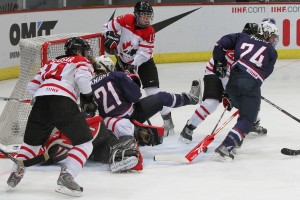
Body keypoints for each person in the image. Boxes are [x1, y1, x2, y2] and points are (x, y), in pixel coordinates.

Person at [41, 55, 201, 173]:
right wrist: (132, 78)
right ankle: (190, 98)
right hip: (132, 113)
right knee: (161, 98)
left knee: (118, 138)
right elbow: (135, 96)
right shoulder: (116, 75)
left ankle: (122, 150)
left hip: (112, 122)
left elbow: (88, 113)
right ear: (109, 68)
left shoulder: (86, 87)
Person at [6, 37, 97, 196]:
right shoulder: (80, 60)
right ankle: (67, 175)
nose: (87, 54)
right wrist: (88, 98)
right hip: (63, 101)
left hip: (42, 100)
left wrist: (42, 96)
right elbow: (83, 80)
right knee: (85, 143)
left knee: (31, 144)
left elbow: (31, 86)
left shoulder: (50, 63)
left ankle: (16, 173)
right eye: (84, 51)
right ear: (77, 51)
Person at [179, 23, 267, 144]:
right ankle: (189, 127)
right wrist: (228, 92)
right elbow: (224, 72)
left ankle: (254, 122)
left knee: (251, 98)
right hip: (215, 72)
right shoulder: (235, 46)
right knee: (211, 103)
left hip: (231, 76)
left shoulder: (256, 51)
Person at [100, 1, 175, 136]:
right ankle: (123, 119)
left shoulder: (149, 32)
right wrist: (109, 38)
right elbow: (106, 27)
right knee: (119, 93)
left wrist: (133, 64)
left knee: (153, 92)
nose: (147, 19)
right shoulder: (126, 19)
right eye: (144, 16)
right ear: (136, 15)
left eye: (148, 16)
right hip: (122, 60)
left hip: (144, 63)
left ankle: (168, 119)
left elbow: (144, 54)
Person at [212, 21, 278, 160]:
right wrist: (251, 87)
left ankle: (237, 139)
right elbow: (264, 74)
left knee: (244, 112)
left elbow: (220, 44)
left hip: (232, 83)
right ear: (266, 33)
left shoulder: (242, 37)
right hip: (249, 85)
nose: (274, 40)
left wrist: (219, 63)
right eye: (273, 36)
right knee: (249, 118)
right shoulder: (272, 52)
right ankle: (226, 146)